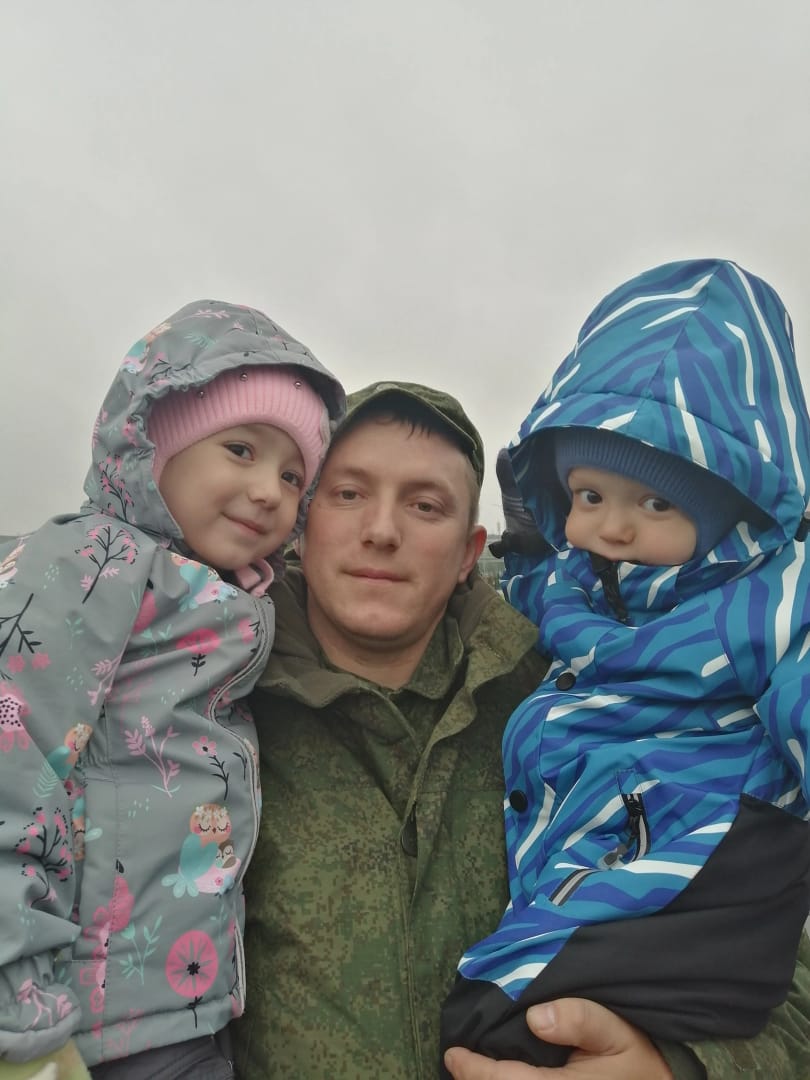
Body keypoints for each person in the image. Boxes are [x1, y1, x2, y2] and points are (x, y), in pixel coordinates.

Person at [231, 377, 810, 1079]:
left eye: (425, 505)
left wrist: (685, 1069)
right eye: (349, 493)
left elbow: (782, 965)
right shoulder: (199, 710)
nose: (381, 531)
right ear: (303, 520)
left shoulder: (587, 700)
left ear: (470, 551)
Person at [440, 258, 810, 1067]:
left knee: (494, 1017)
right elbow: (541, 592)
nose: (611, 529)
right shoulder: (576, 585)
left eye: (657, 502)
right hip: (606, 865)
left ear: (729, 511)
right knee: (496, 1015)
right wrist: (521, 554)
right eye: (589, 496)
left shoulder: (771, 603)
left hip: (698, 863)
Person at [0, 300, 345, 1078]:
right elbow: (13, 766)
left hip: (185, 1004)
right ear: (153, 444)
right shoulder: (91, 563)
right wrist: (17, 1016)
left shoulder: (224, 603)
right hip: (80, 1019)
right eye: (240, 449)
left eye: (293, 475)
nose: (269, 490)